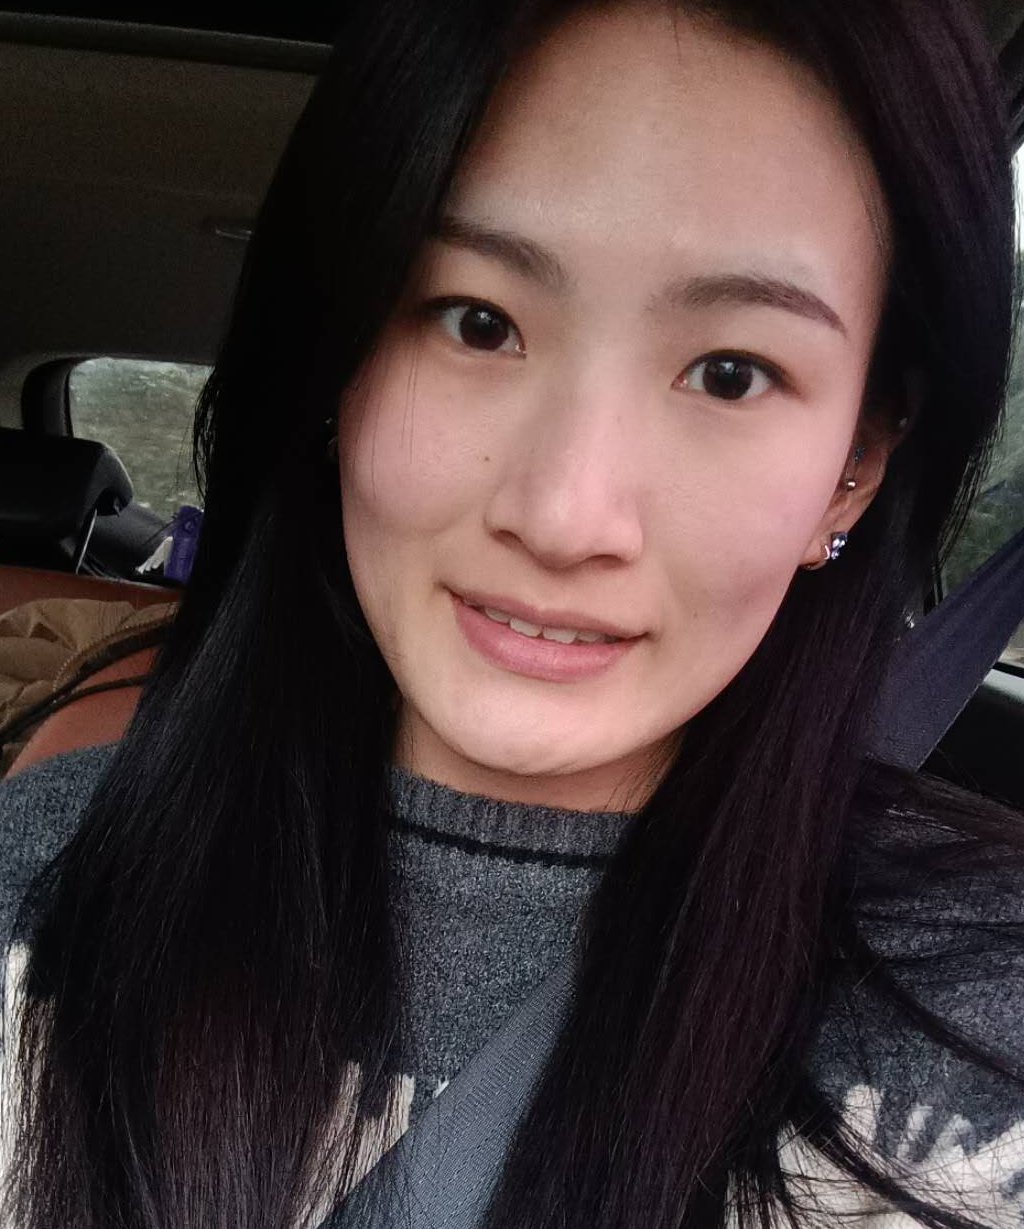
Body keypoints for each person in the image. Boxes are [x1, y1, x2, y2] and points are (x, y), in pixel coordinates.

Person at [1, 0, 1022, 1226]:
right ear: (337, 367)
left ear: (853, 466)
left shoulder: (988, 1013)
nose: (563, 514)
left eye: (731, 373)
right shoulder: (38, 878)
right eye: (477, 322)